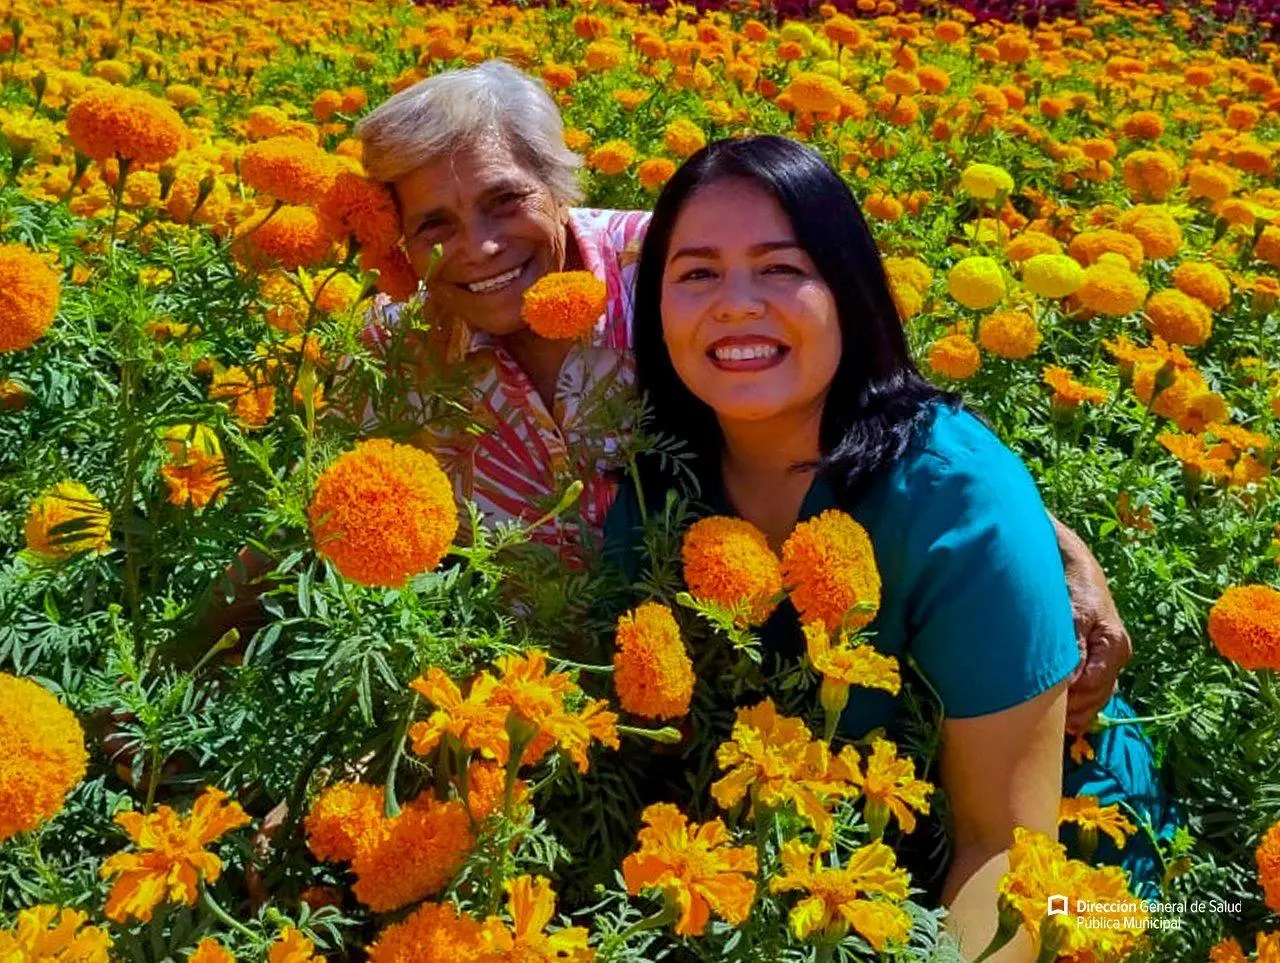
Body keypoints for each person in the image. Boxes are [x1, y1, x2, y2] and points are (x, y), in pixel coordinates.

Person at [203, 60, 1127, 740]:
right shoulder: (392, 353)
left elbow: (879, 409)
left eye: (504, 200)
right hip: (535, 712)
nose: (478, 246)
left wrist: (1056, 549)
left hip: (756, 686)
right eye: (435, 222)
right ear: (400, 241)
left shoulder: (682, 273)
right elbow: (311, 523)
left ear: (561, 184)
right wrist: (186, 662)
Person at [601, 135, 1176, 960]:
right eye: (696, 273)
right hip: (814, 881)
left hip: (1062, 873)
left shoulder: (954, 498)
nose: (734, 303)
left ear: (849, 289)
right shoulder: (657, 481)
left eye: (781, 268)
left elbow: (1007, 845)